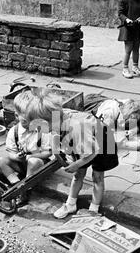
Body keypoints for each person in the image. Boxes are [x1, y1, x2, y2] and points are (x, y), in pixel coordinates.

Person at [13, 90, 119, 219]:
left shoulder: (77, 127)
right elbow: (56, 137)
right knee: (78, 174)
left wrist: (76, 164)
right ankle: (70, 204)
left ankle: (94, 209)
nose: (37, 130)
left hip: (102, 144)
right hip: (85, 142)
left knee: (97, 177)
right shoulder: (56, 119)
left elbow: (92, 152)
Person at [0, 95, 53, 204]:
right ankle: (16, 184)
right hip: (21, 162)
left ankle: (25, 190)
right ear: (17, 116)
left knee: (33, 162)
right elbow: (10, 152)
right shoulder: (14, 131)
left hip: (38, 164)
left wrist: (31, 156)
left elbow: (48, 152)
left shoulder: (42, 129)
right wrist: (16, 157)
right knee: (1, 161)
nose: (31, 124)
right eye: (25, 121)